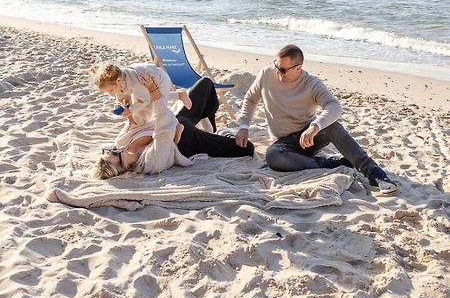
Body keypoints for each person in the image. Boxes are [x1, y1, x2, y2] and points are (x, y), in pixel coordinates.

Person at [235, 44, 398, 195]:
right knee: (273, 157)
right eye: (276, 66)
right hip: (283, 144)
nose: (278, 72)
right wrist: (244, 126)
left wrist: (315, 126)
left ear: (298, 67)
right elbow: (250, 99)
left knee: (333, 126)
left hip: (309, 136)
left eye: (283, 70)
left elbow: (334, 106)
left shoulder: (312, 83)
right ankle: (334, 163)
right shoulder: (266, 74)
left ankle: (375, 175)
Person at [90, 62, 254, 179]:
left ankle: (208, 116)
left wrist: (129, 113)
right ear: (124, 166)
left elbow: (140, 121)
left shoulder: (121, 142)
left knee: (205, 84)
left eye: (106, 151)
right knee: (246, 148)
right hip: (186, 142)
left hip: (176, 121)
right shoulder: (150, 163)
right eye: (112, 154)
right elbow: (164, 128)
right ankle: (207, 124)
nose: (111, 150)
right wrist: (154, 91)